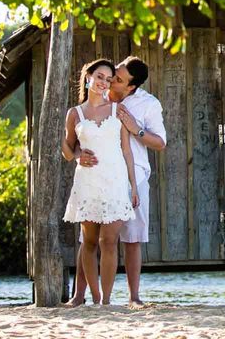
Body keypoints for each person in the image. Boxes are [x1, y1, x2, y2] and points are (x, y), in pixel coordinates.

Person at [66, 56, 165, 308]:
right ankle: (79, 295)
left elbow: (160, 143)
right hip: (96, 176)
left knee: (132, 236)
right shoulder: (96, 99)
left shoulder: (147, 104)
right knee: (87, 240)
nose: (110, 82)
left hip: (134, 175)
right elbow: (72, 141)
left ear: (131, 86)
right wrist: (77, 155)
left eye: (117, 79)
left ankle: (133, 297)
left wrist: (135, 128)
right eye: (110, 76)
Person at [61, 58, 139, 306]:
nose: (104, 83)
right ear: (88, 77)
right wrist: (77, 156)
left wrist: (133, 186)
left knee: (109, 241)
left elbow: (127, 151)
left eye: (108, 79)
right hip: (88, 182)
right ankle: (94, 297)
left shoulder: (118, 110)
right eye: (99, 77)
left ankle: (106, 300)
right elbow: (67, 149)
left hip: (115, 181)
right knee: (89, 241)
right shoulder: (75, 113)